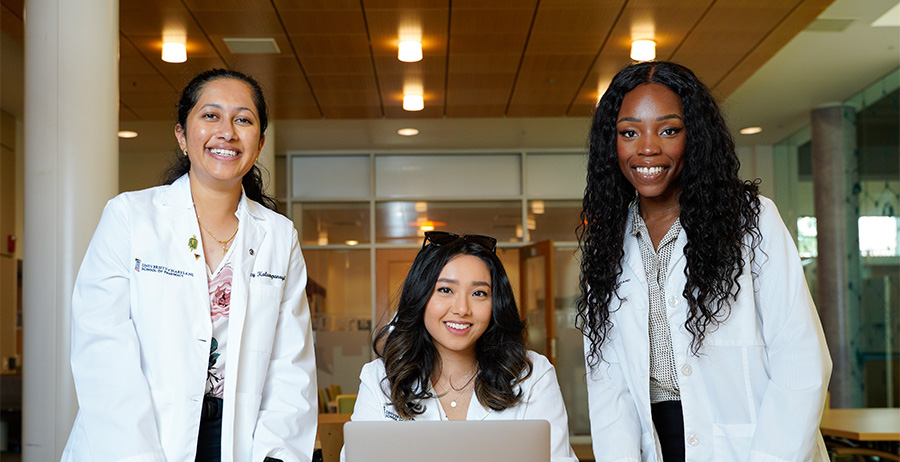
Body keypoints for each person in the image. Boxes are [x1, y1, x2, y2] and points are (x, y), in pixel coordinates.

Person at [577, 61, 831, 461]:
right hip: (656, 444)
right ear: (612, 143)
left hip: (757, 444)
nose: (647, 148)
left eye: (668, 130)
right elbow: (610, 385)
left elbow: (800, 359)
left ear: (694, 136)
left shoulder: (752, 220)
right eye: (629, 132)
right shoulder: (608, 242)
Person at [63, 69, 317, 462]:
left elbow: (291, 365)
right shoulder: (130, 217)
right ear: (182, 135)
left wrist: (276, 454)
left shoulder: (280, 237)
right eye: (210, 115)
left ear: (260, 141)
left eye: (244, 120)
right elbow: (102, 349)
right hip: (136, 434)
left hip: (236, 436)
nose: (227, 132)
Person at [343, 231, 577, 462]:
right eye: (445, 290)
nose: (462, 309)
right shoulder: (380, 378)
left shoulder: (532, 375)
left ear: (496, 304)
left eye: (479, 293)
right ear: (421, 296)